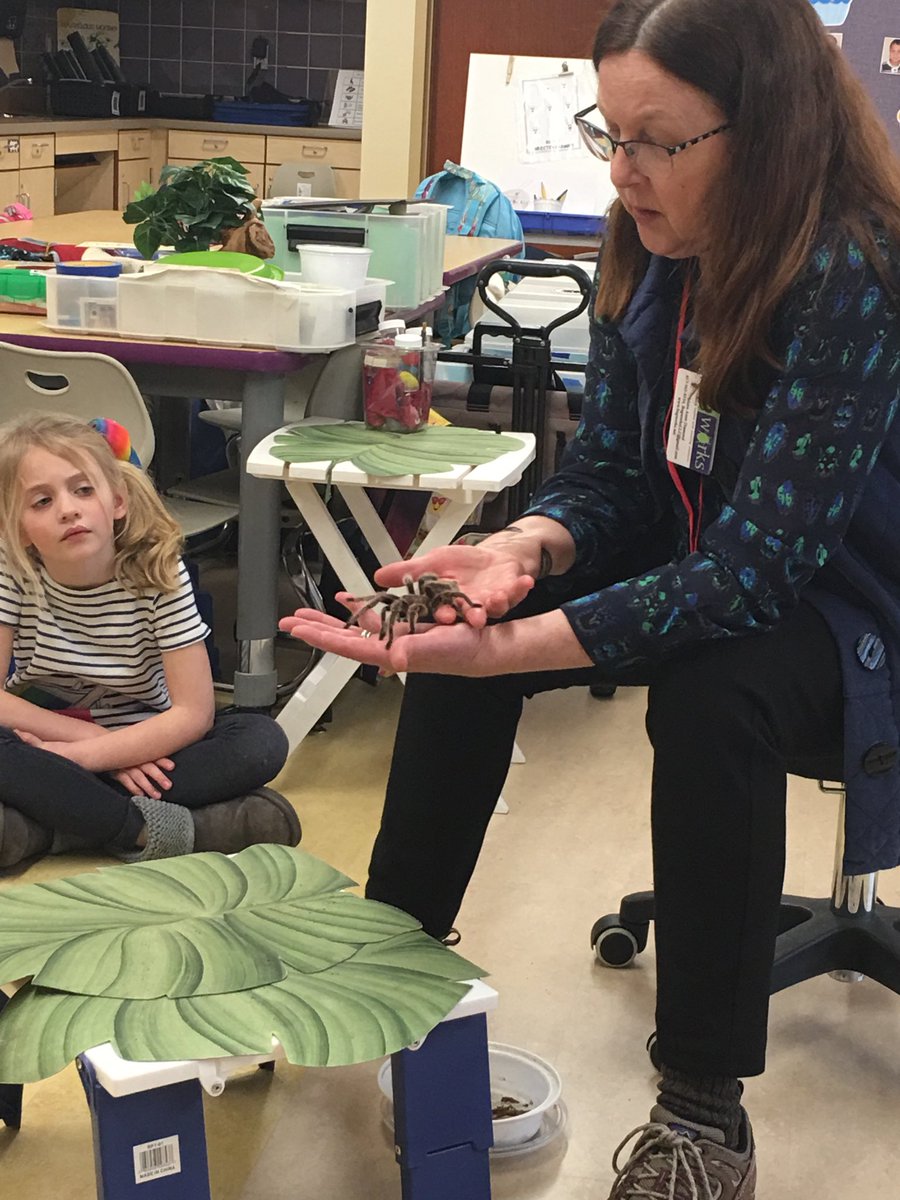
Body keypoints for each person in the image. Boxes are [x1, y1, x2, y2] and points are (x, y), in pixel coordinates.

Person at [281, 1, 900, 1195]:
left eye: (657, 141)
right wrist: (527, 547)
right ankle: (389, 954)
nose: (624, 174)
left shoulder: (854, 269)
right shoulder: (649, 247)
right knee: (476, 627)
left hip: (853, 618)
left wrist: (533, 632)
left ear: (765, 129)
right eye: (608, 134)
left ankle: (702, 1115)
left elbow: (760, 573)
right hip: (707, 554)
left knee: (713, 696)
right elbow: (619, 471)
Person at [0, 413, 299, 871]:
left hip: (147, 739)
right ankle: (155, 830)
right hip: (45, 732)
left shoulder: (159, 573)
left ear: (116, 500)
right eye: (41, 501)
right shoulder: (13, 572)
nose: (67, 509)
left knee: (260, 739)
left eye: (83, 490)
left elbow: (193, 714)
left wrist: (86, 759)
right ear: (19, 529)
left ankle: (51, 827)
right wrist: (92, 740)